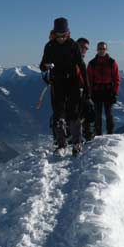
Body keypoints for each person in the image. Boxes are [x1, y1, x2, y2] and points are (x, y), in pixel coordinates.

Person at [39, 17, 89, 155]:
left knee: (73, 113)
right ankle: (61, 145)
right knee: (58, 114)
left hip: (72, 82)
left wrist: (86, 87)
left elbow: (82, 66)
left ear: (68, 33)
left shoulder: (73, 45)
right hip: (57, 83)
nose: (61, 38)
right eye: (59, 35)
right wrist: (46, 66)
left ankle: (77, 142)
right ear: (54, 33)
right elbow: (42, 65)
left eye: (64, 35)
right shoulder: (49, 46)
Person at [87, 41, 120, 136]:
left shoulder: (112, 62)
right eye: (100, 48)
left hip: (108, 91)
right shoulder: (92, 63)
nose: (101, 50)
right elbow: (89, 80)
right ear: (97, 50)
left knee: (109, 115)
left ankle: (110, 134)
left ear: (106, 50)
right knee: (97, 116)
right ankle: (98, 135)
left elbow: (117, 78)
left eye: (103, 48)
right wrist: (89, 93)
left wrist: (115, 92)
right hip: (96, 91)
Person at [76, 37, 95, 141]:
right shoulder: (73, 59)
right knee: (89, 109)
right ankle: (88, 134)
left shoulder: (81, 61)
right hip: (72, 93)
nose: (84, 50)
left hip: (80, 92)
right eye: (82, 47)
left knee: (89, 108)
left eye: (86, 48)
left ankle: (86, 133)